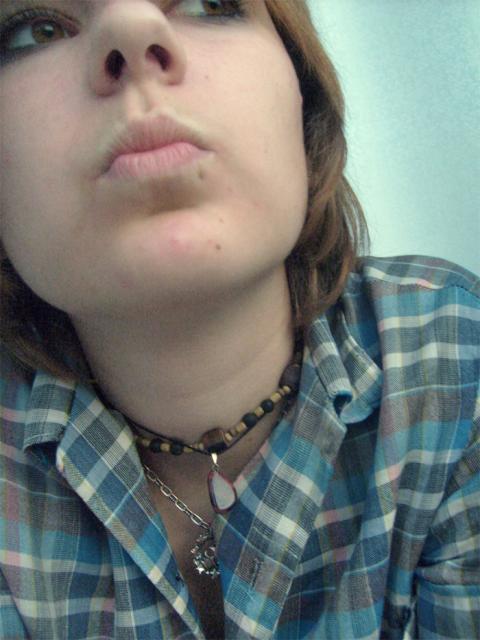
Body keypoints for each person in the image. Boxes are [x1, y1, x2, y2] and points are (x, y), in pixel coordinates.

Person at [0, 0, 478, 638]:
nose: (133, 30)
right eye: (37, 30)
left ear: (303, 103)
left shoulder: (459, 360)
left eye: (210, 3)